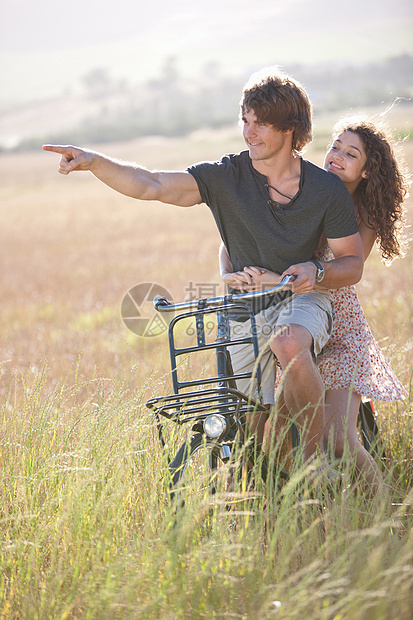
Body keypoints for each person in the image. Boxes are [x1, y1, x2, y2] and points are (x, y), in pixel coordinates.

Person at [43, 67, 364, 470]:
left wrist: (314, 272)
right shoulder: (225, 177)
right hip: (244, 307)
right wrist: (93, 162)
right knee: (254, 427)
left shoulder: (325, 189)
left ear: (290, 129)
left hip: (304, 297)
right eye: (245, 120)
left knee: (288, 342)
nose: (249, 132)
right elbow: (152, 184)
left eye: (261, 124)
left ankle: (314, 464)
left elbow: (352, 264)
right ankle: (279, 488)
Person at [220, 116, 409, 491]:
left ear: (368, 171)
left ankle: (387, 514)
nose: (336, 157)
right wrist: (231, 274)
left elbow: (347, 269)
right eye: (335, 147)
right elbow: (234, 241)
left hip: (337, 327)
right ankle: (307, 507)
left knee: (339, 440)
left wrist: (277, 279)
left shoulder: (363, 214)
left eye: (351, 154)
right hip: (290, 321)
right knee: (275, 438)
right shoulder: (299, 189)